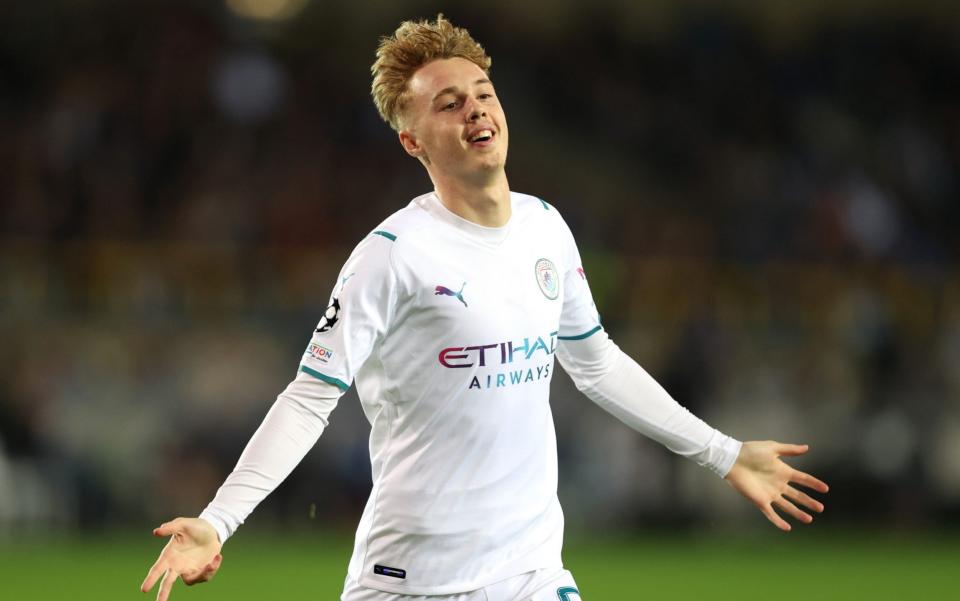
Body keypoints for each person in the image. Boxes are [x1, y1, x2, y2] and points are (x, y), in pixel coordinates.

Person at [141, 15, 828, 601]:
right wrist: (218, 520)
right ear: (411, 139)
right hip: (406, 579)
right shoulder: (392, 255)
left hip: (529, 574)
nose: (475, 109)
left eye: (483, 93)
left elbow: (595, 365)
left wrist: (723, 452)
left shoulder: (546, 228)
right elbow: (310, 396)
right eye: (447, 103)